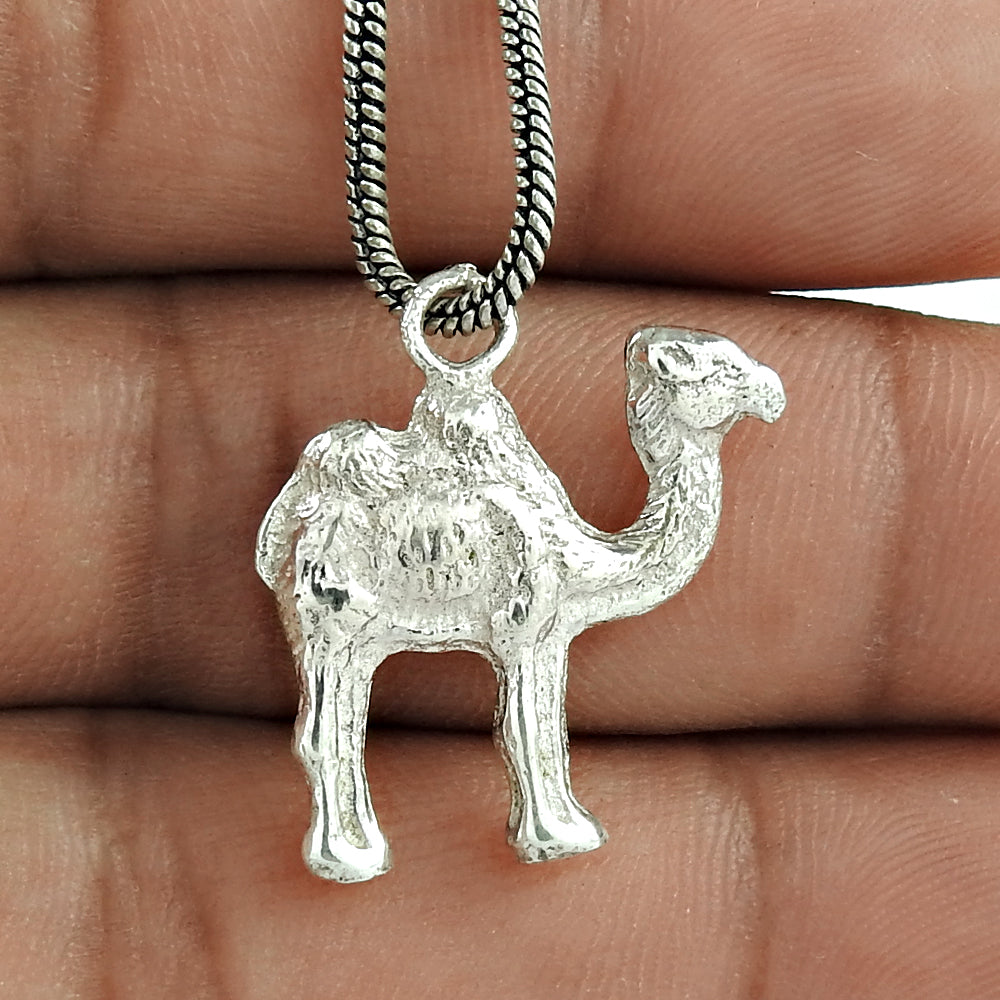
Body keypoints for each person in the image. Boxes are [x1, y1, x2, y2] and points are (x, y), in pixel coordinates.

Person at [1, 1, 998, 996]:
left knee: (518, 645)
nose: (748, 387)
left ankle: (531, 813)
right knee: (358, 680)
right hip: (360, 562)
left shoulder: (547, 509)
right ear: (671, 388)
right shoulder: (507, 512)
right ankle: (394, 819)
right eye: (719, 379)